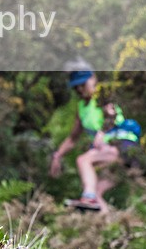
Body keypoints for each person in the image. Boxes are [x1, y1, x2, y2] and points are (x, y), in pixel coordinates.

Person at [49, 69, 140, 212]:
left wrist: (102, 131)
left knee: (83, 160)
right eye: (76, 87)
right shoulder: (81, 107)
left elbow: (111, 114)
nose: (80, 89)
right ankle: (109, 225)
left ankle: (88, 196)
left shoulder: (102, 97)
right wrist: (57, 155)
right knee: (98, 192)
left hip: (123, 146)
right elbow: (73, 138)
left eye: (82, 84)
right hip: (108, 152)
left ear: (92, 81)